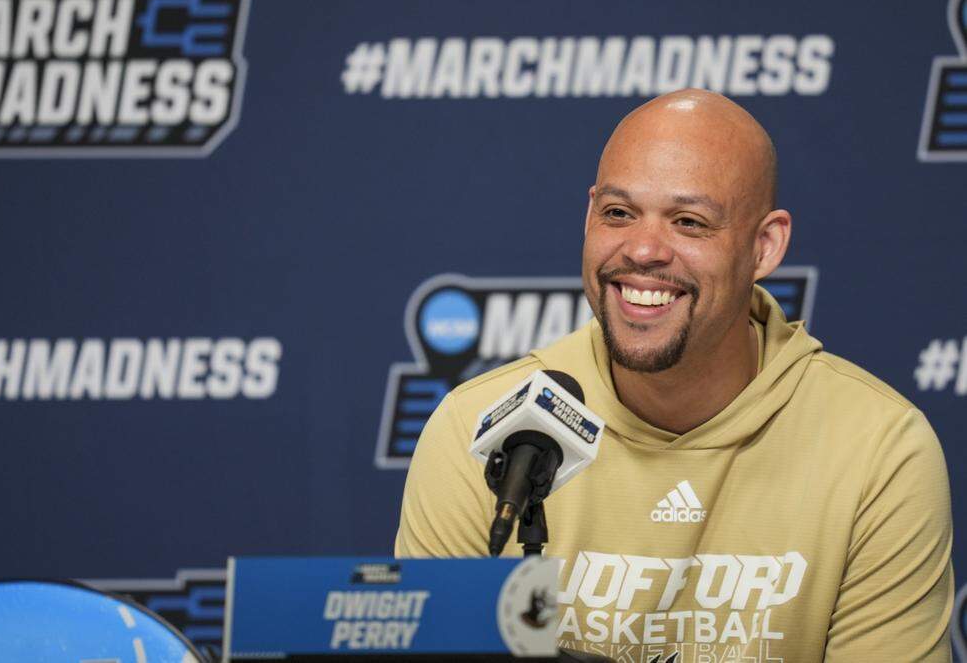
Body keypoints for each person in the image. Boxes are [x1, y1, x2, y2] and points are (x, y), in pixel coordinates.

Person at [394, 89, 953, 660]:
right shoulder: (481, 425)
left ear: (764, 246)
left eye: (689, 222)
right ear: (589, 217)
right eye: (618, 213)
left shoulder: (879, 448)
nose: (642, 249)